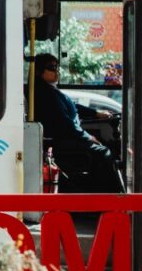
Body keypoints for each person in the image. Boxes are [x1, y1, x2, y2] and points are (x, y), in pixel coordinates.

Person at [31, 53, 124, 193]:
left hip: (69, 137)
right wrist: (87, 137)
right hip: (63, 141)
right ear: (38, 71)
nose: (56, 70)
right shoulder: (45, 94)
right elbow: (65, 124)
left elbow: (73, 106)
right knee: (105, 153)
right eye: (51, 67)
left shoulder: (51, 90)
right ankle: (113, 197)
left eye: (57, 67)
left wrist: (96, 113)